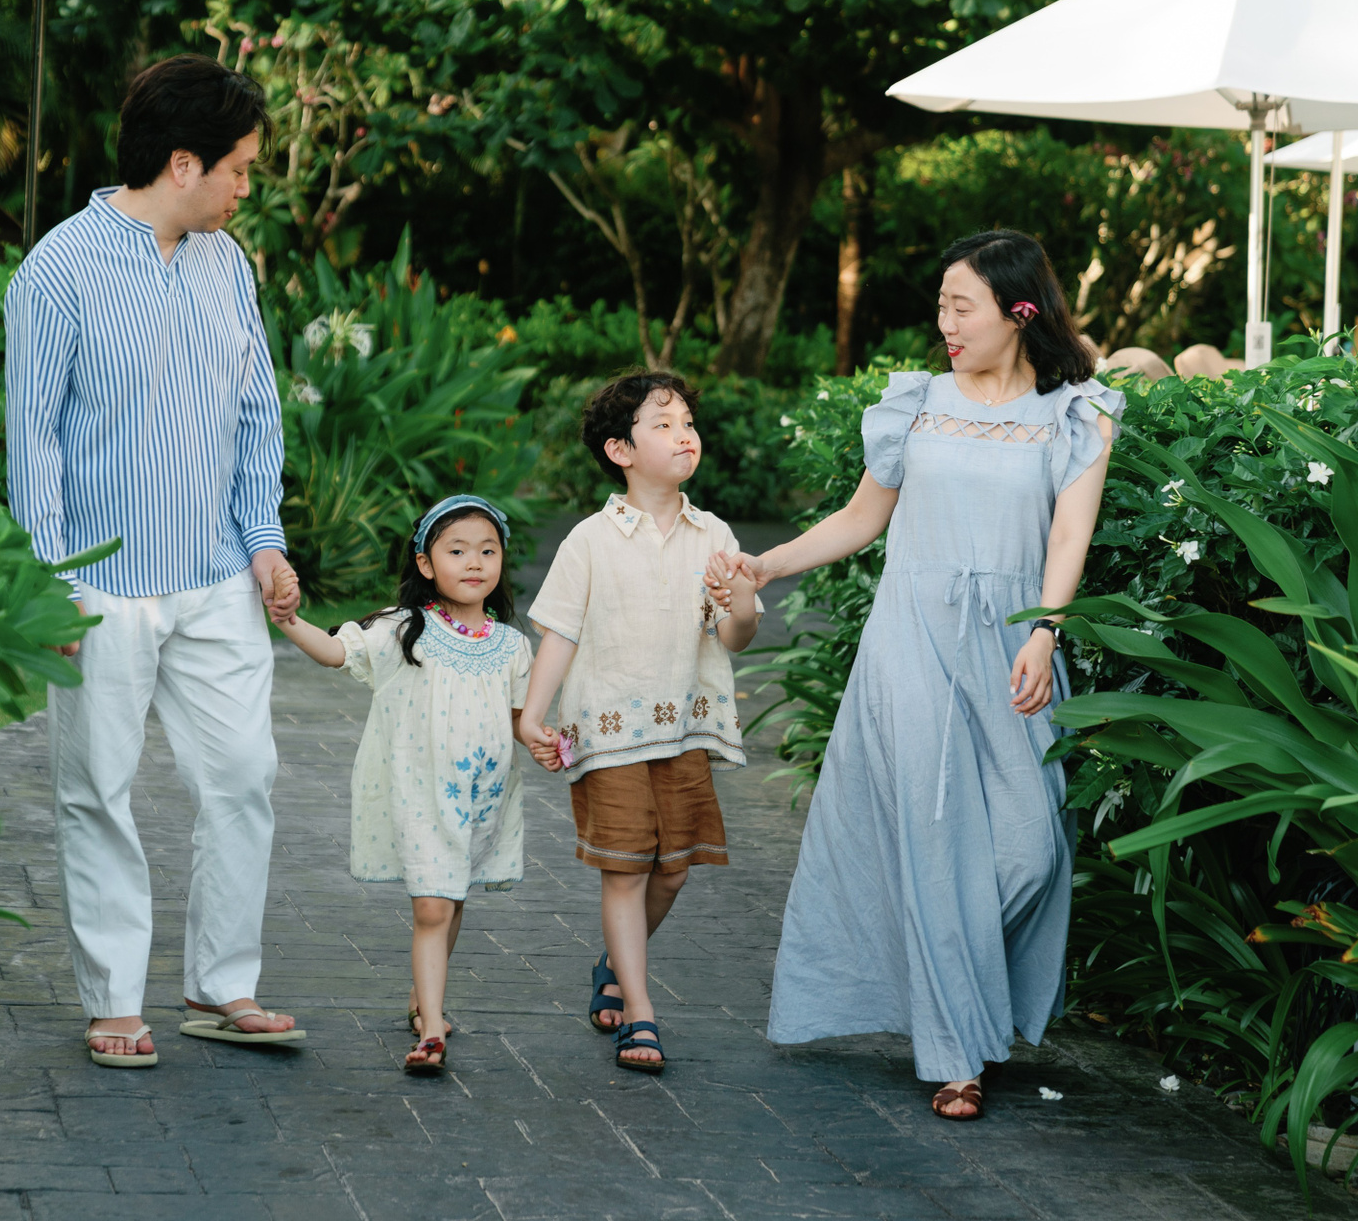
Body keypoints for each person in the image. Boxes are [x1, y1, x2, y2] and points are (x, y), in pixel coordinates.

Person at [708, 230, 1120, 1120]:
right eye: (941, 306)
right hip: (911, 635)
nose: (946, 325)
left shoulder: (1078, 414)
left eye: (961, 307)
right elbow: (861, 518)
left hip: (1011, 643)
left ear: (1020, 312)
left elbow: (1069, 535)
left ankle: (947, 992)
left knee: (1030, 849)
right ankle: (955, 1055)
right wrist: (766, 564)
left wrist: (1045, 632)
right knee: (935, 844)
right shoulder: (916, 403)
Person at [4, 54, 306, 1068]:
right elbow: (33, 440)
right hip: (100, 581)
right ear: (184, 163)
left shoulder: (229, 265)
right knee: (98, 789)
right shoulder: (57, 270)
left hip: (216, 575)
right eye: (240, 168)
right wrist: (52, 579)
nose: (247, 187)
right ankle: (112, 999)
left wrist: (263, 542)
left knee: (245, 778)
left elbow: (258, 413)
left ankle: (221, 985)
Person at [517, 373, 762, 1074]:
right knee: (625, 872)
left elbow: (735, 636)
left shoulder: (714, 535)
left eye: (688, 421)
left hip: (681, 732)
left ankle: (614, 964)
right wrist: (532, 716)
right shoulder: (590, 540)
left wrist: (741, 598)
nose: (685, 434)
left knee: (672, 874)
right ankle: (641, 1010)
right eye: (664, 424)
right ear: (620, 450)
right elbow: (560, 632)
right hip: (606, 732)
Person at [277, 496, 533, 1075]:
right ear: (425, 564)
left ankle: (424, 997)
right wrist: (290, 622)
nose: (474, 562)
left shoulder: (512, 645)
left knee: (452, 899)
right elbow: (337, 652)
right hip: (419, 795)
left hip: (481, 797)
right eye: (457, 551)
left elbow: (520, 719)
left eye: (487, 551)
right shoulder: (402, 630)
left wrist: (547, 739)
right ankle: (433, 1030)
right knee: (432, 907)